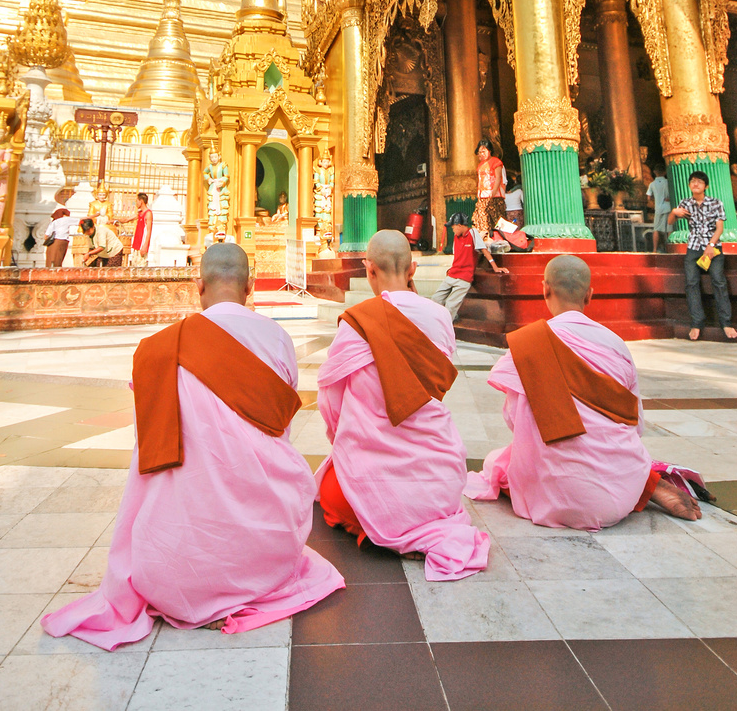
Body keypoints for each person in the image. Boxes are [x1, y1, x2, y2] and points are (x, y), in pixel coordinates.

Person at [41, 243, 344, 646]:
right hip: (267, 548)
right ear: (250, 286)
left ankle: (201, 579)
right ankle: (248, 573)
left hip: (178, 565)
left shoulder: (158, 350)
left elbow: (149, 442)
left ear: (198, 286)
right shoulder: (277, 340)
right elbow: (279, 431)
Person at [465, 255, 702, 529]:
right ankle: (647, 485)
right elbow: (635, 426)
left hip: (554, 497)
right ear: (589, 295)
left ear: (545, 289)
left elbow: (515, 421)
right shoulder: (617, 346)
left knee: (498, 464)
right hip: (621, 493)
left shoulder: (528, 344)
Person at [316, 229, 490, 581]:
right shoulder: (440, 318)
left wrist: (344, 442)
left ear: (369, 270)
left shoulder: (356, 323)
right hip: (439, 480)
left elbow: (330, 402)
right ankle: (420, 521)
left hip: (369, 475)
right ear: (412, 270)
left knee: (331, 495)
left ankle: (378, 522)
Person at [668, 170, 737, 341]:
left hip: (713, 247)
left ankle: (726, 322)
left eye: (699, 182)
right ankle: (697, 323)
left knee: (718, 281)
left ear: (705, 186)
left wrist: (711, 246)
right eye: (692, 181)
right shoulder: (685, 203)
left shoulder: (715, 203)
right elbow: (669, 222)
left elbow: (719, 228)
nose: (695, 184)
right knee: (691, 283)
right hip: (693, 247)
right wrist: (673, 212)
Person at [434, 213, 508, 321]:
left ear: (459, 225)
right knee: (436, 299)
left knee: (450, 305)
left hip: (464, 277)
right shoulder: (456, 237)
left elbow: (484, 250)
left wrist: (495, 268)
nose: (453, 230)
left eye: (453, 227)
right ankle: (443, 320)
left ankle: (447, 324)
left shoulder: (473, 233)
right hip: (452, 274)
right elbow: (457, 256)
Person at [473, 139, 507, 237]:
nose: (481, 154)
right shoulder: (480, 165)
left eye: (483, 151)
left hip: (494, 196)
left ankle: (504, 239)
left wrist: (493, 192)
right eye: (479, 152)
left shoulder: (496, 162)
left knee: (498, 220)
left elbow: (498, 178)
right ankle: (485, 240)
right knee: (482, 220)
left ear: (489, 150)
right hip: (482, 196)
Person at [647, 162, 671, 253]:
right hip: (668, 207)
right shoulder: (668, 182)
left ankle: (654, 249)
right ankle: (670, 248)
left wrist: (656, 198)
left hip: (658, 208)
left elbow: (649, 197)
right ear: (665, 172)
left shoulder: (652, 184)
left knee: (656, 229)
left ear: (654, 172)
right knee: (669, 229)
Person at [130, 192, 153, 267]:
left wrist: (145, 245)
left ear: (141, 201)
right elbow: (128, 219)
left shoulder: (148, 213)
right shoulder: (139, 213)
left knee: (141, 268)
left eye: (137, 201)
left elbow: (149, 230)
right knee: (134, 266)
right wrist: (114, 220)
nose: (136, 203)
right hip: (136, 244)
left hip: (142, 245)